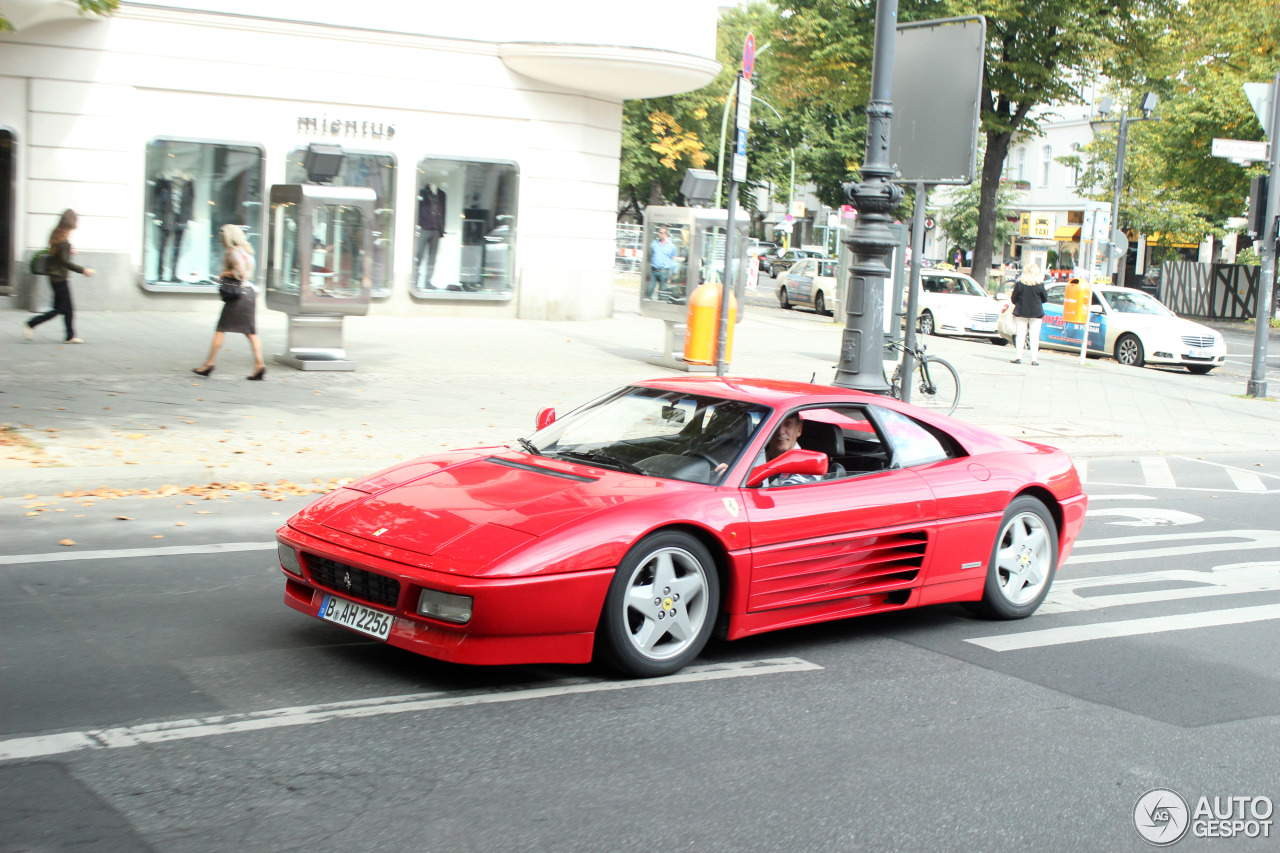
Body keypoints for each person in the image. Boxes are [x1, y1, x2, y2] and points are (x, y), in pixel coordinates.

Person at [192, 224, 265, 380]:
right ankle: (260, 365)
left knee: (221, 328)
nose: (222, 242)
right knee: (251, 332)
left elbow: (240, 273)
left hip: (238, 295)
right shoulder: (247, 251)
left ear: (229, 238)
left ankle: (209, 364)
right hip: (249, 294)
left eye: (223, 238)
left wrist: (223, 273)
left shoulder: (233, 252)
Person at [24, 209, 95, 344]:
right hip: (60, 278)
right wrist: (83, 270)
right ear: (71, 223)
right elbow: (65, 262)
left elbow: (58, 254)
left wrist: (68, 251)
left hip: (54, 276)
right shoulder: (64, 242)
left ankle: (69, 335)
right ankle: (32, 324)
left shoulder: (56, 234)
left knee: (64, 308)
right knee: (63, 308)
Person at [758, 413, 822, 487]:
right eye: (775, 424)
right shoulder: (753, 458)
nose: (780, 432)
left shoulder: (808, 468)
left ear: (799, 429)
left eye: (788, 424)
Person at [1009, 263, 1048, 365]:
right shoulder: (1039, 285)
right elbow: (1045, 299)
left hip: (1021, 312)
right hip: (1036, 313)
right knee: (1034, 336)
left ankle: (1018, 357)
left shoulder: (1019, 284)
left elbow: (1013, 299)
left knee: (1020, 335)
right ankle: (1034, 359)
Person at [648, 226, 678, 299]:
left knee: (662, 294)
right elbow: (650, 255)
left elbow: (673, 259)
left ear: (666, 235)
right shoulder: (654, 244)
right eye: (659, 232)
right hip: (654, 271)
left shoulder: (671, 246)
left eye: (661, 233)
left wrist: (673, 272)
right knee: (649, 291)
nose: (659, 234)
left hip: (664, 272)